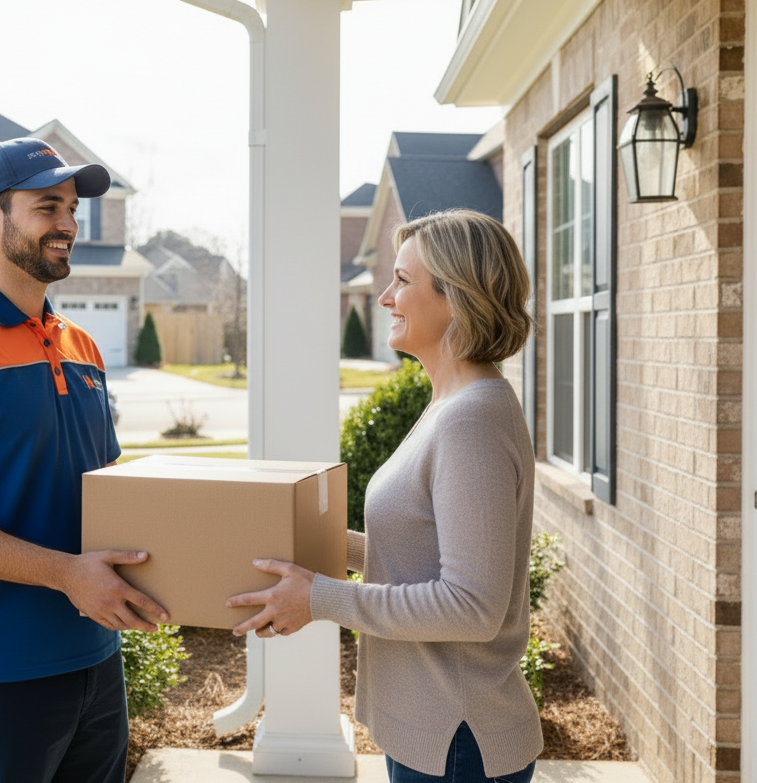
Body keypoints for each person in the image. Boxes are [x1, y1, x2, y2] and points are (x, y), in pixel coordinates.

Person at [227, 209, 543, 783]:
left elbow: (472, 607)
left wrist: (324, 598)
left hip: (458, 742)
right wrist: (322, 545)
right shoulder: (452, 406)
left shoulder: (471, 420)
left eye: (402, 280)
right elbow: (426, 546)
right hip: (440, 736)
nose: (384, 298)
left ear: (456, 296)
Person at [0, 137, 168, 783]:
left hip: (98, 661)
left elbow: (107, 496)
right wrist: (68, 575)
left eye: (72, 208)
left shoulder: (84, 348)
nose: (68, 224)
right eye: (48, 207)